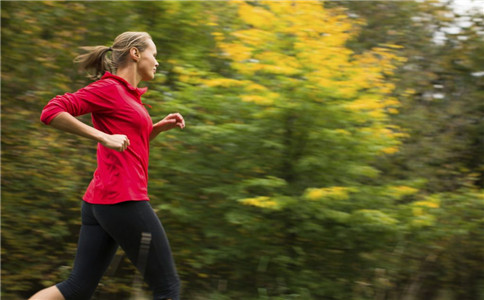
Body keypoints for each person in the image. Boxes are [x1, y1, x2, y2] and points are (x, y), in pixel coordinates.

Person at [29, 32, 184, 300]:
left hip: (101, 200)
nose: (157, 62)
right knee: (167, 287)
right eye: (154, 55)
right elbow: (51, 111)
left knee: (77, 289)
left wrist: (157, 128)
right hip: (123, 197)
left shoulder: (129, 96)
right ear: (136, 53)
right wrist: (102, 136)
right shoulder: (109, 89)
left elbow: (127, 141)